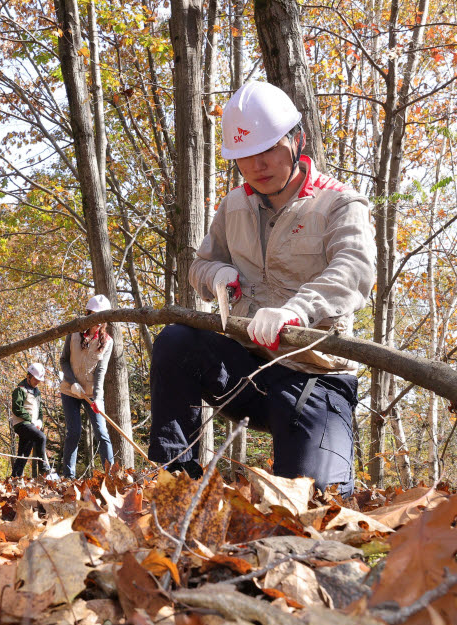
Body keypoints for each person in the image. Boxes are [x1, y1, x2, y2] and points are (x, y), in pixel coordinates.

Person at [148, 81, 376, 495]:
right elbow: (199, 266)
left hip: (316, 377)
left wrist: (297, 310)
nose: (256, 164)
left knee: (315, 503)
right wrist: (215, 275)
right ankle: (175, 487)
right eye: (243, 157)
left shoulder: (340, 204)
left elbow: (355, 270)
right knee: (176, 341)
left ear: (296, 140)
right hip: (245, 367)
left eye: (268, 148)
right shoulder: (232, 205)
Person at [59, 294, 115, 478]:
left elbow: (101, 371)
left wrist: (97, 397)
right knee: (73, 432)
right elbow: (64, 360)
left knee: (101, 432)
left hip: (91, 393)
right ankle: (69, 477)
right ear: (88, 313)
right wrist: (73, 382)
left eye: (101, 317)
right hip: (70, 390)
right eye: (94, 315)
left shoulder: (107, 342)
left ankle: (112, 476)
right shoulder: (73, 333)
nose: (97, 321)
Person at [10, 362, 55, 478]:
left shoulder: (37, 392)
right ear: (28, 376)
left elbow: (39, 409)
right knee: (41, 437)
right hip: (22, 424)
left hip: (32, 425)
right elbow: (17, 408)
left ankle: (15, 476)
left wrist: (39, 421)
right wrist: (30, 419)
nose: (38, 382)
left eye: (39, 380)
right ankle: (44, 470)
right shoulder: (20, 390)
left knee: (24, 452)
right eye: (35, 379)